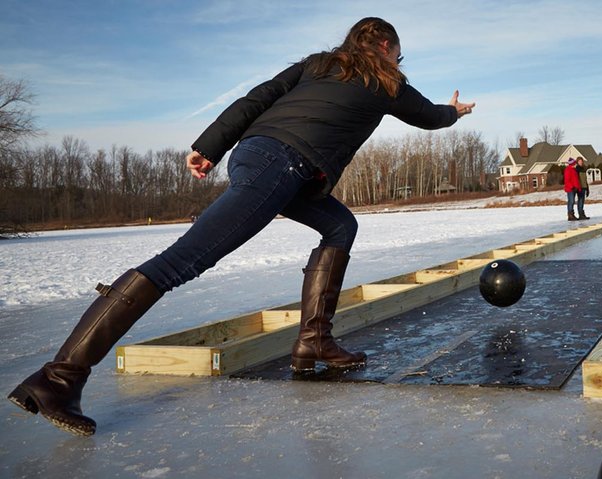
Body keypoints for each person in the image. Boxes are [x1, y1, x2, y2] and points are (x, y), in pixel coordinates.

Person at [8, 17, 476, 437]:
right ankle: (59, 378)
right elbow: (430, 117)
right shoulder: (386, 80)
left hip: (258, 156)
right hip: (286, 166)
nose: (397, 61)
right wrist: (454, 111)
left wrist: (209, 146)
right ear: (388, 49)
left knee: (339, 226)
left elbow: (256, 100)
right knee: (180, 262)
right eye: (398, 55)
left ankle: (313, 340)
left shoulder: (314, 64)